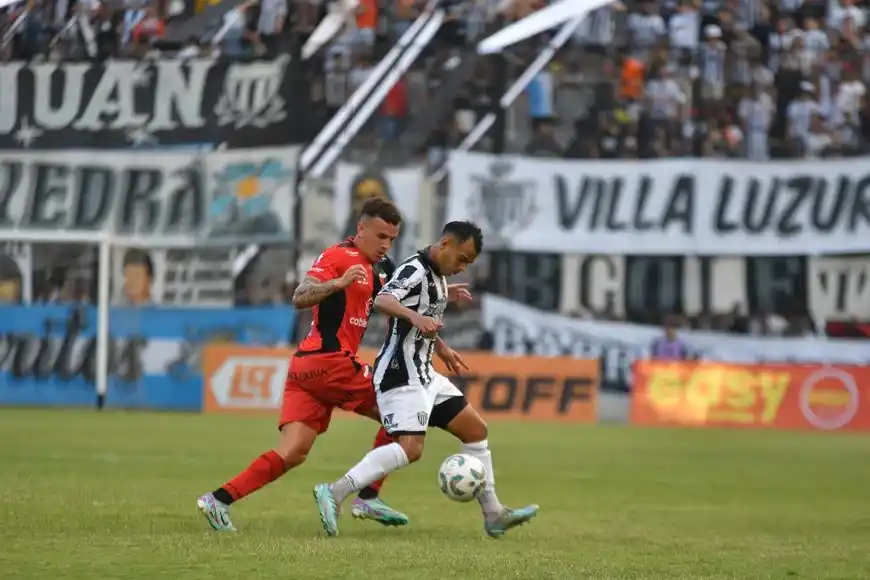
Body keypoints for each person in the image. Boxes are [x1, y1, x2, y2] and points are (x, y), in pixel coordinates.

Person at [196, 198, 470, 531]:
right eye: (380, 236)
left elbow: (402, 306)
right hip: (328, 363)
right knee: (399, 408)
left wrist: (441, 298)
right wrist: (337, 284)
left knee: (293, 451)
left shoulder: (382, 269)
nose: (386, 245)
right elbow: (300, 295)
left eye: (392, 239)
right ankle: (367, 497)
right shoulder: (338, 256)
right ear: (361, 229)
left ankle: (218, 500)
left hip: (307, 371)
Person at [313, 221, 539, 538]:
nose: (463, 267)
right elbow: (384, 300)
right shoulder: (415, 269)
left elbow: (423, 309)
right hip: (399, 372)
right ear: (446, 243)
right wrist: (415, 317)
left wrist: (441, 347)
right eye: (462, 258)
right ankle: (334, 492)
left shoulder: (439, 276)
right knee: (411, 448)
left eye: (469, 264)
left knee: (475, 430)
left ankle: (493, 513)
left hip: (424, 373)